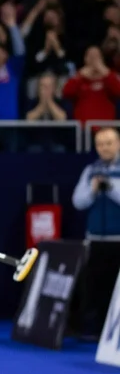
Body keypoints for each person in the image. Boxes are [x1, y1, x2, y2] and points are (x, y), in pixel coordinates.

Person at [70, 127, 120, 340]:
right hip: (95, 239)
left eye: (109, 143)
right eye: (100, 144)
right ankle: (94, 329)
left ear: (118, 143)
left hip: (118, 240)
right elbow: (78, 201)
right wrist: (92, 189)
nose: (104, 148)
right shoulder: (90, 170)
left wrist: (110, 188)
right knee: (94, 287)